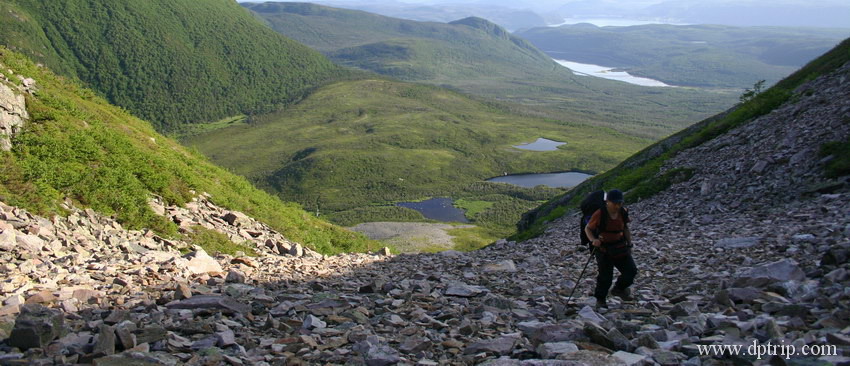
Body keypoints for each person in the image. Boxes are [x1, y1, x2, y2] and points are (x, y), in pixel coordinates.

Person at [583, 189, 637, 309]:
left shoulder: (623, 212)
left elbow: (625, 228)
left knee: (631, 271)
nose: (618, 205)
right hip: (604, 249)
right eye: (615, 203)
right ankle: (600, 299)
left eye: (620, 203)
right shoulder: (600, 214)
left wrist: (629, 243)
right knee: (605, 276)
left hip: (620, 246)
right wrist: (593, 240)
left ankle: (618, 289)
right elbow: (588, 228)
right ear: (607, 202)